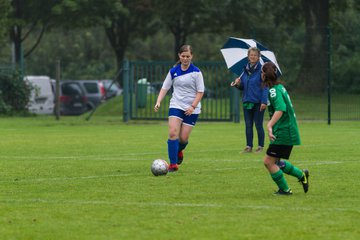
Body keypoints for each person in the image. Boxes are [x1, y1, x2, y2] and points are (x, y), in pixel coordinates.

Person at [261, 62, 309, 195]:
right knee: (277, 162)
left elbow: (280, 109)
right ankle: (301, 175)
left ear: (264, 75)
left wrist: (269, 125)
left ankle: (285, 190)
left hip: (284, 130)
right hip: (285, 129)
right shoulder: (279, 87)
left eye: (261, 73)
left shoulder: (273, 90)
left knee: (268, 162)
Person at [154, 45, 205, 172]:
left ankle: (179, 150)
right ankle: (173, 164)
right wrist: (158, 101)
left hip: (192, 108)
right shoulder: (173, 71)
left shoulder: (196, 72)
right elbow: (165, 87)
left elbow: (200, 91)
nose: (185, 59)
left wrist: (193, 106)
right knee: (172, 133)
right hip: (176, 104)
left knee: (183, 139)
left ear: (191, 56)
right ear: (179, 56)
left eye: (188, 56)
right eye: (183, 56)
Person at [230, 47, 268, 153]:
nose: (253, 57)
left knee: (258, 124)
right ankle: (249, 146)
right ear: (248, 56)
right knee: (248, 124)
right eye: (251, 55)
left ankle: (260, 146)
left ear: (258, 57)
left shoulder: (262, 70)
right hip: (247, 101)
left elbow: (265, 87)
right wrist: (237, 84)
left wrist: (264, 101)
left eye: (255, 55)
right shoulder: (244, 69)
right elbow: (243, 87)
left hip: (258, 102)